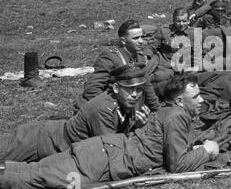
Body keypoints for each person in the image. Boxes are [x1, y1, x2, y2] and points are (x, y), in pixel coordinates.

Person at [0, 75, 219, 189]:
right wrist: (207, 152)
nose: (201, 101)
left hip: (100, 152)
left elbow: (172, 153)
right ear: (180, 101)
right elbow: (177, 165)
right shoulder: (177, 116)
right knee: (36, 177)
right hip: (101, 161)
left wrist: (195, 150)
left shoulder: (166, 111)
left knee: (34, 171)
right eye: (197, 96)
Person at [0, 65, 154, 163]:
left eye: (139, 89)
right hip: (45, 140)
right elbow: (112, 150)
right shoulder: (103, 109)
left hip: (59, 145)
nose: (135, 94)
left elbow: (119, 133)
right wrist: (136, 131)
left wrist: (137, 125)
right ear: (115, 88)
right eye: (130, 89)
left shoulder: (127, 102)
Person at [74, 19, 160, 113]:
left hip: (126, 103)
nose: (141, 41)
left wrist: (158, 109)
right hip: (105, 106)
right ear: (123, 40)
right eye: (135, 38)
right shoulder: (110, 56)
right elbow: (93, 88)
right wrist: (108, 110)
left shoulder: (139, 57)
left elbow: (146, 85)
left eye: (141, 37)